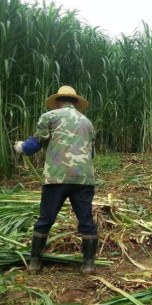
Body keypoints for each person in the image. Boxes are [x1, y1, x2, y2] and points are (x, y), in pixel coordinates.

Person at [14, 86, 98, 274]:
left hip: (56, 177)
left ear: (59, 101)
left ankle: (35, 263)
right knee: (86, 220)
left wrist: (22, 148)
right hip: (83, 178)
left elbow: (36, 142)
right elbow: (90, 153)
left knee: (45, 218)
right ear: (75, 102)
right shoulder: (87, 122)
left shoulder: (50, 116)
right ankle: (88, 265)